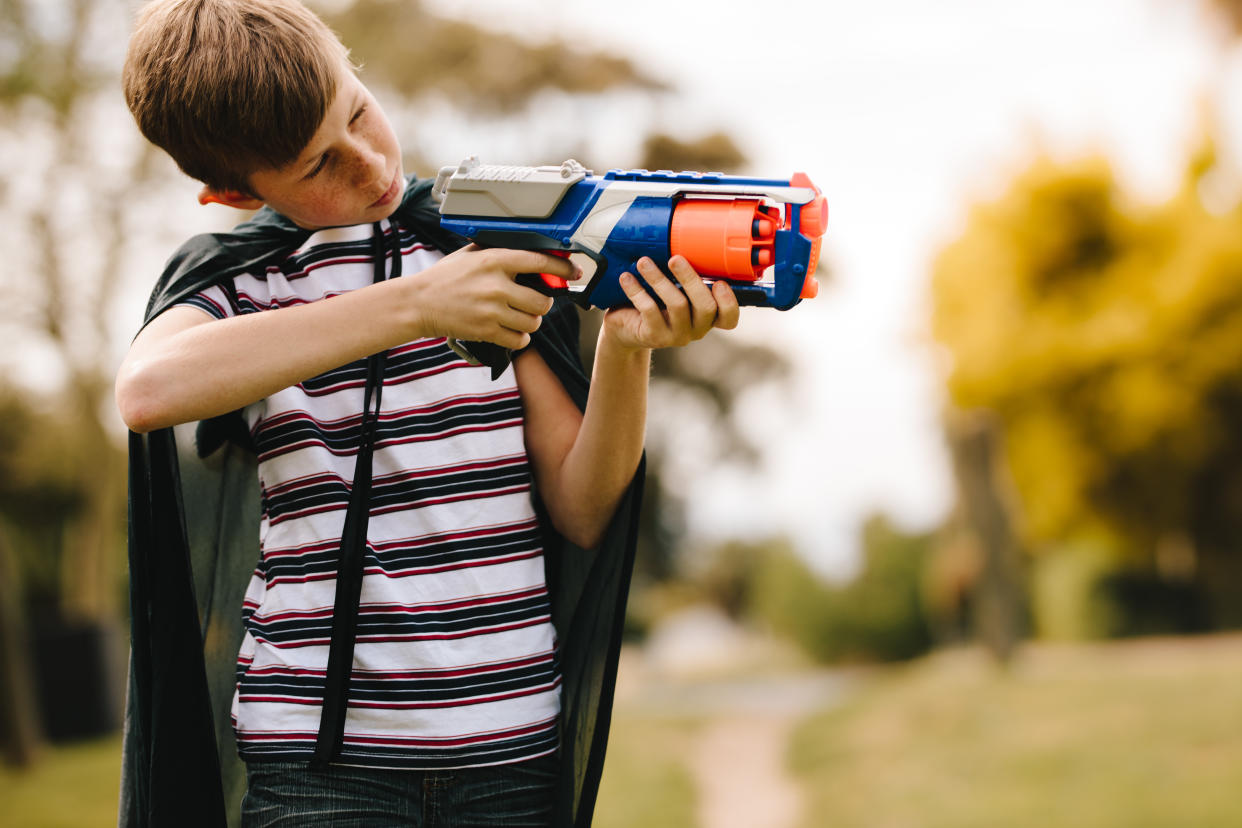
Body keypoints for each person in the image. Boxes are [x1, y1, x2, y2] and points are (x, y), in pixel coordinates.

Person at [115, 1, 739, 826]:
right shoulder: (241, 283)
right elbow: (148, 390)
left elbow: (583, 511)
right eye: (316, 167)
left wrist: (624, 348)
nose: (369, 163)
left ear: (354, 70)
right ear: (232, 191)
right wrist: (417, 305)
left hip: (509, 755)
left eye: (359, 112)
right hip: (318, 775)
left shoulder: (482, 242)